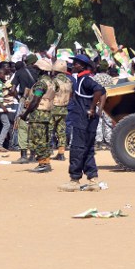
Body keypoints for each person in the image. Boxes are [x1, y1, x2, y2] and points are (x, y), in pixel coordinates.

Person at [59, 54, 106, 192]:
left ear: (82, 66)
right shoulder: (83, 79)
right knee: (88, 149)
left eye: (76, 64)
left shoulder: (85, 80)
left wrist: (92, 108)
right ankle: (93, 180)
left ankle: (74, 180)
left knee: (77, 148)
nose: (73, 65)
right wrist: (99, 110)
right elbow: (103, 92)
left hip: (82, 119)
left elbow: (98, 90)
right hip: (89, 119)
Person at [19, 59, 56, 172]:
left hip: (38, 115)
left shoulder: (41, 83)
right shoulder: (52, 82)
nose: (34, 71)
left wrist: (25, 114)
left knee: (38, 140)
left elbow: (35, 101)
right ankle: (45, 162)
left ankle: (43, 164)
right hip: (48, 114)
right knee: (45, 139)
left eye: (36, 69)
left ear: (41, 70)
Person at [11, 55, 38, 164]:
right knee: (34, 127)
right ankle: (33, 155)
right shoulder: (38, 72)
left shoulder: (19, 72)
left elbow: (13, 90)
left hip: (24, 100)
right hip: (37, 100)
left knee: (22, 127)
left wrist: (19, 98)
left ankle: (23, 155)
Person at [50, 60, 72, 161]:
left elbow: (50, 94)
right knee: (61, 131)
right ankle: (61, 153)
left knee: (49, 130)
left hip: (54, 107)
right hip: (64, 107)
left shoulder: (54, 81)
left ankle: (46, 152)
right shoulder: (68, 81)